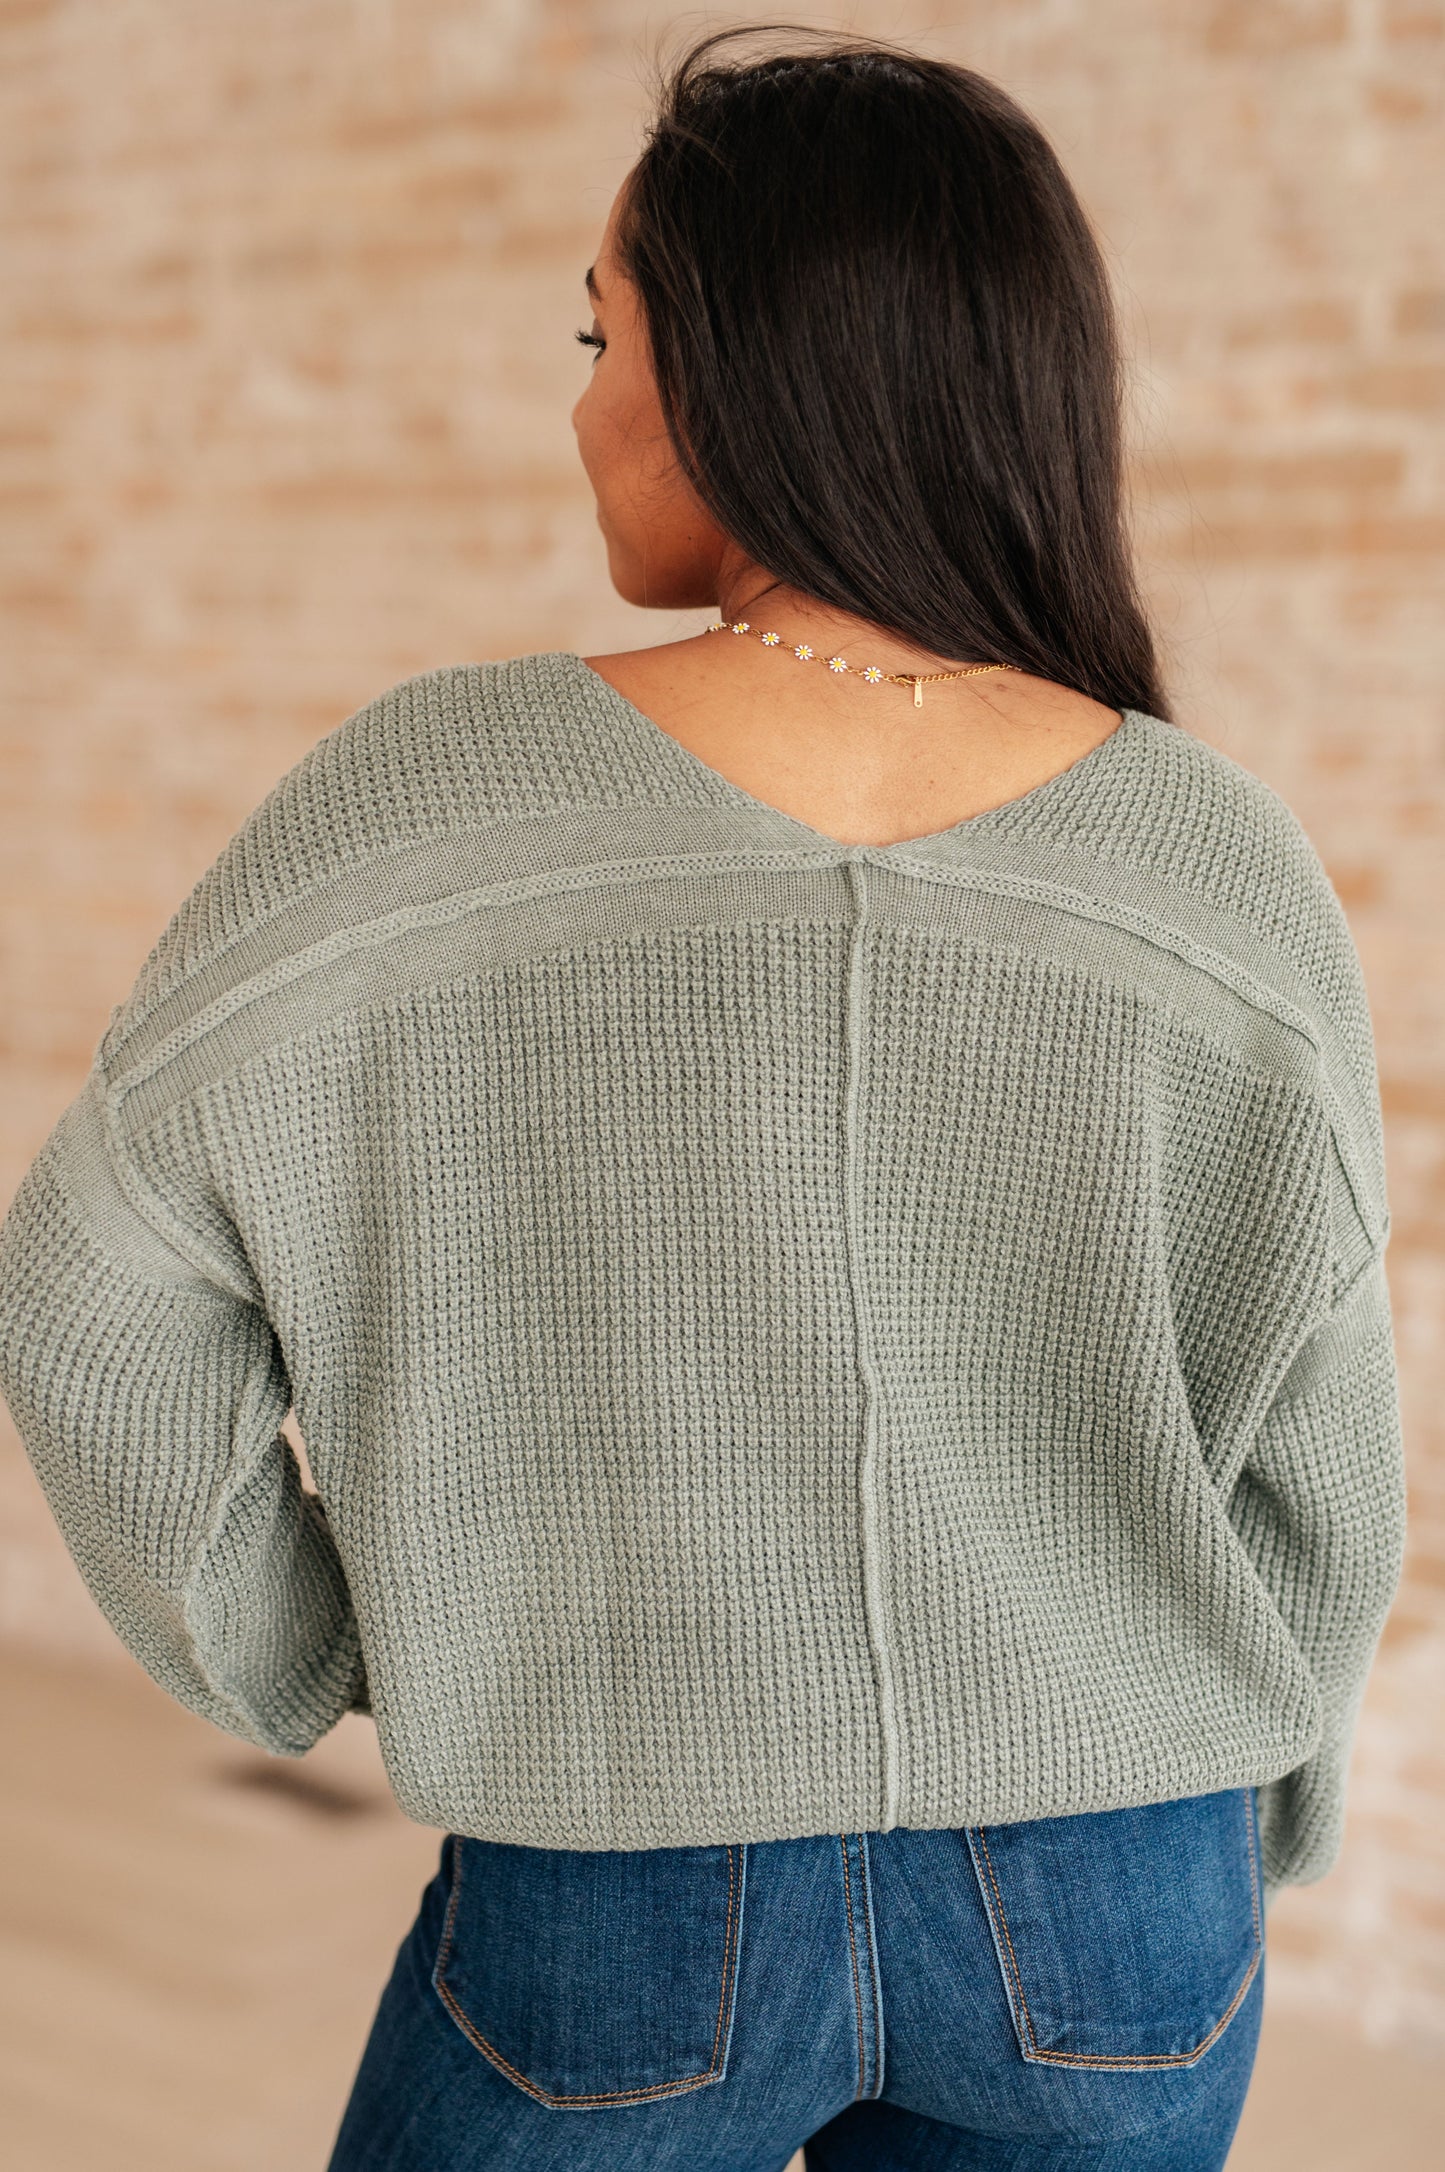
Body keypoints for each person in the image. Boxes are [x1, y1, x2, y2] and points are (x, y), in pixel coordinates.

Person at [0, 26, 1406, 2172]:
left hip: (624, 1874)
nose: (579, 405)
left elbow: (92, 1296)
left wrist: (325, 1647)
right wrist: (1244, 1789)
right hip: (1121, 1909)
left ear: (756, 364)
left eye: (601, 333)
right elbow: (1326, 1464)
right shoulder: (1214, 854)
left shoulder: (433, 796)